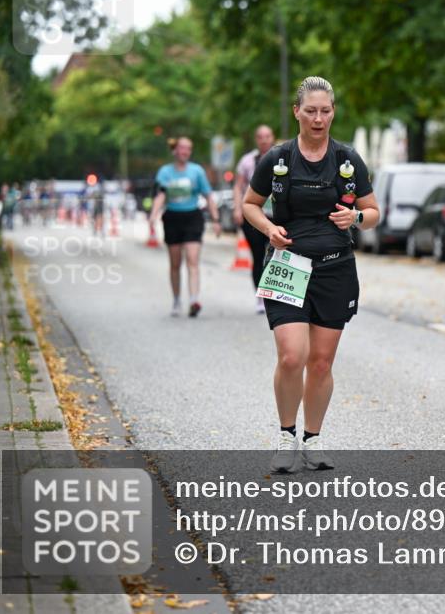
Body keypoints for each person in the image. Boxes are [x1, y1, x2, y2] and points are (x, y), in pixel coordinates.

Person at [242, 76, 379, 473]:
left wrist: (355, 218)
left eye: (325, 111)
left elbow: (372, 213)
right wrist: (269, 229)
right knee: (291, 356)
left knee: (320, 362)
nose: (318, 118)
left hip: (335, 268)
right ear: (296, 112)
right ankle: (286, 438)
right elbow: (250, 204)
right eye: (311, 111)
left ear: (333, 113)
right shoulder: (278, 159)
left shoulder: (347, 160)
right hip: (288, 265)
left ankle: (313, 440)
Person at [149, 137, 221, 318]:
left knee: (192, 259)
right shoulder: (165, 172)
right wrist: (153, 215)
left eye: (188, 148)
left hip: (192, 218)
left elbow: (208, 195)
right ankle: (176, 300)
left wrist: (215, 219)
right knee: (175, 263)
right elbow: (160, 196)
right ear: (175, 150)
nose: (185, 152)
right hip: (172, 218)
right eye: (182, 148)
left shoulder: (197, 171)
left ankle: (194, 300)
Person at [233, 124, 276, 314]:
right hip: (253, 216)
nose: (264, 140)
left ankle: (276, 295)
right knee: (258, 257)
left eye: (267, 136)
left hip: (277, 217)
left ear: (272, 137)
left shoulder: (283, 157)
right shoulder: (247, 161)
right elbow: (238, 186)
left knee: (276, 257)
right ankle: (260, 297)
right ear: (256, 139)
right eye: (260, 136)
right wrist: (237, 208)